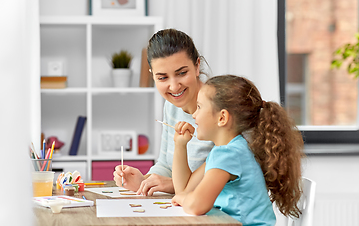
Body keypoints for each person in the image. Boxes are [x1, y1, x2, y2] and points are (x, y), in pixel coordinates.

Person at [171, 75, 305, 226]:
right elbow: (184, 189)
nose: (194, 114)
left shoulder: (229, 154)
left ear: (222, 118)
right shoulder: (230, 149)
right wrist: (180, 145)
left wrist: (182, 199)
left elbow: (196, 205)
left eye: (200, 107)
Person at [113, 29, 214, 196]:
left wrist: (174, 185)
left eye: (182, 73)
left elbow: (228, 173)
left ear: (197, 66)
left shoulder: (221, 108)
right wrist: (145, 181)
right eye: (162, 78)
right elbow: (166, 165)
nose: (174, 87)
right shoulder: (171, 106)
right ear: (152, 75)